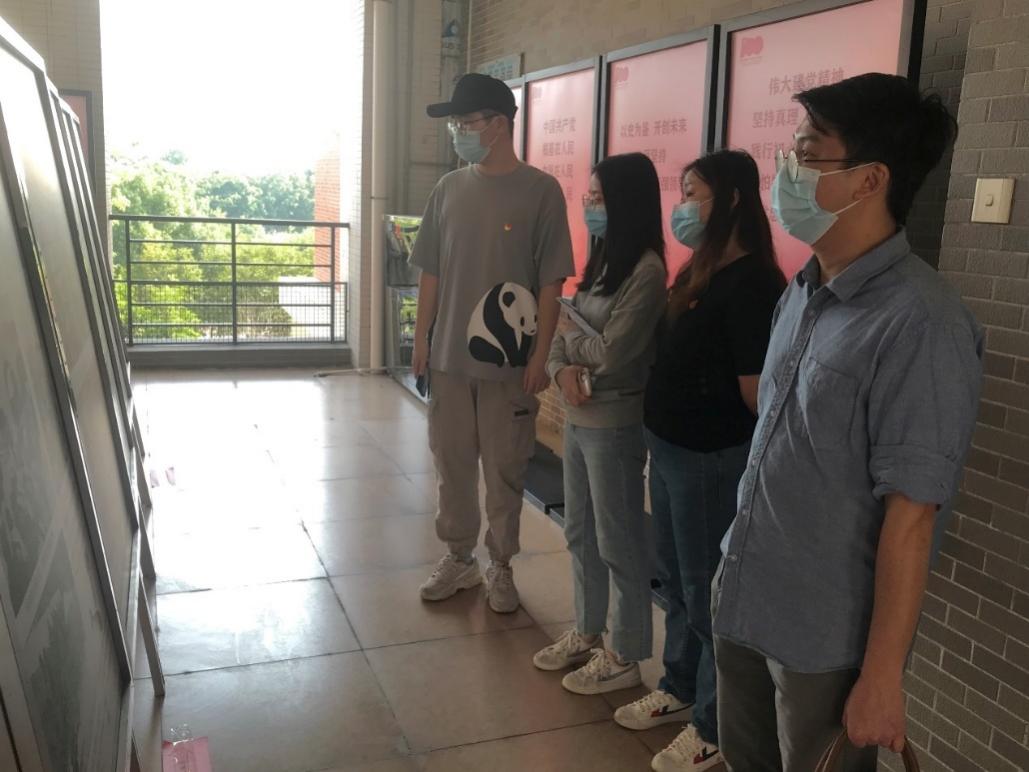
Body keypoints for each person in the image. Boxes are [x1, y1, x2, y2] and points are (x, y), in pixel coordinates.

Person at [712, 73, 983, 772]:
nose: (787, 173)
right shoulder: (804, 290)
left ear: (869, 179)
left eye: (807, 155)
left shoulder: (921, 323)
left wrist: (883, 677)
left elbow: (912, 517)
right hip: (745, 589)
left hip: (822, 637)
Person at [613, 150, 786, 772]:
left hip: (711, 458)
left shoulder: (755, 284)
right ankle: (680, 686)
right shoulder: (700, 269)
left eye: (694, 193)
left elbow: (757, 394)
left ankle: (713, 726)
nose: (683, 206)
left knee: (706, 590)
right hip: (670, 449)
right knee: (677, 580)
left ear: (732, 199)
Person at [410, 73, 573, 613]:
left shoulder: (541, 191)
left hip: (510, 366)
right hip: (449, 361)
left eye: (465, 122)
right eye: (456, 124)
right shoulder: (448, 190)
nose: (459, 132)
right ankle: (460, 557)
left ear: (498, 124)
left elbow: (551, 283)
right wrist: (421, 340)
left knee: (506, 469)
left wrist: (541, 355)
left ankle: (501, 564)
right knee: (452, 464)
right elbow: (431, 272)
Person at [532, 152, 667, 696]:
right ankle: (587, 630)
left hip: (614, 423)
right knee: (581, 531)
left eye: (600, 197)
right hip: (578, 412)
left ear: (627, 202)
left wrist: (574, 348)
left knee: (618, 540)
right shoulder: (604, 262)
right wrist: (561, 370)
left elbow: (613, 351)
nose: (590, 205)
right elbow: (564, 334)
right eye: (589, 196)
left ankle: (625, 652)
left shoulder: (648, 272)